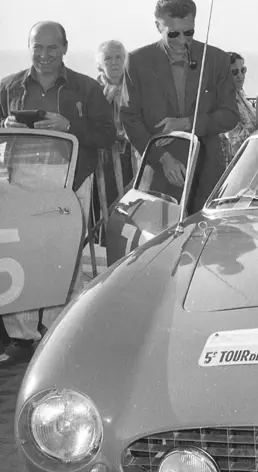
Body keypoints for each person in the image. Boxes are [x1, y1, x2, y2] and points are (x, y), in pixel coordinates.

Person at [0, 21, 116, 367]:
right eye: (38, 47)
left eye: (52, 48)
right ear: (30, 47)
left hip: (70, 182)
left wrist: (69, 126)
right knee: (20, 257)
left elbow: (108, 135)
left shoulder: (86, 88)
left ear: (64, 48)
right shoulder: (8, 87)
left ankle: (58, 334)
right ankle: (22, 338)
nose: (45, 55)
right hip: (21, 182)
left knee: (63, 259)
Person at [120, 0, 238, 213]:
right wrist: (163, 159)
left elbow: (230, 115)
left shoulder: (217, 59)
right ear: (158, 26)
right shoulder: (137, 61)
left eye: (189, 33)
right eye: (173, 34)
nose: (183, 41)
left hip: (207, 171)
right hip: (157, 175)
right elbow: (130, 118)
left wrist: (187, 123)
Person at [95, 40, 134, 213]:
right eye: (108, 58)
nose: (114, 62)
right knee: (106, 208)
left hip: (132, 157)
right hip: (103, 161)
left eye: (119, 57)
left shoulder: (136, 87)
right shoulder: (92, 90)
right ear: (100, 65)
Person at [221, 51, 258, 163]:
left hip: (248, 158)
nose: (240, 76)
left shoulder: (240, 95)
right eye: (234, 72)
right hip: (234, 164)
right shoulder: (221, 101)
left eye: (243, 70)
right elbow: (236, 140)